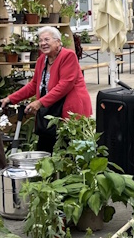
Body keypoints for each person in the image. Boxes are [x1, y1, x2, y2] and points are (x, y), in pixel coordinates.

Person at [6, 26, 93, 154]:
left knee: (67, 152)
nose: (43, 43)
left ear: (58, 41)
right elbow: (34, 84)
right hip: (50, 111)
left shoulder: (68, 56)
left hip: (69, 111)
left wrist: (39, 102)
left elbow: (65, 85)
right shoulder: (42, 60)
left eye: (47, 39)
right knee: (45, 149)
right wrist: (11, 98)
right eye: (40, 40)